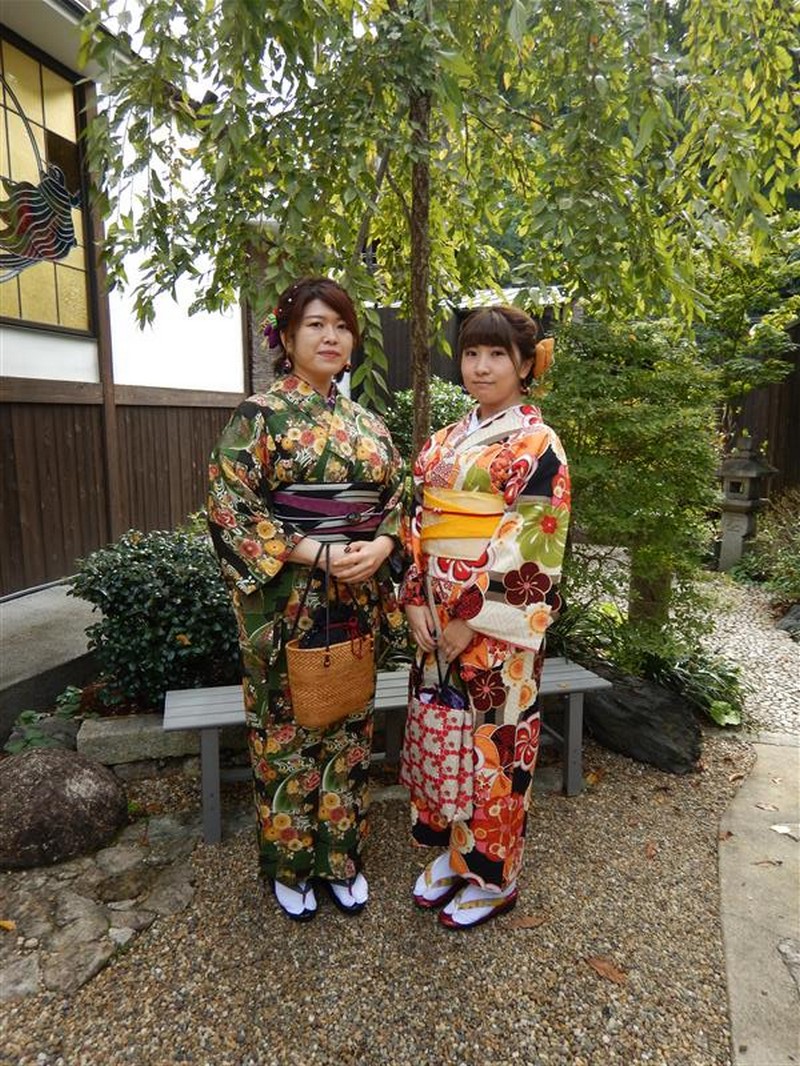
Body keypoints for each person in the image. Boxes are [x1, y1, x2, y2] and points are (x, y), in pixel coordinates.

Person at [207, 276, 404, 922]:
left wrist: (383, 543)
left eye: (342, 327)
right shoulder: (259, 416)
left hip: (355, 593)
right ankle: (291, 864)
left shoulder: (368, 423)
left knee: (349, 724)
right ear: (287, 339)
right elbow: (229, 506)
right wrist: (313, 551)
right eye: (316, 325)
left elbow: (400, 497)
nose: (331, 337)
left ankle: (342, 859)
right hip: (285, 598)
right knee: (284, 730)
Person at [400, 305, 570, 930]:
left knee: (493, 746)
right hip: (434, 620)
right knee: (442, 732)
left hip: (495, 629)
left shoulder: (537, 445)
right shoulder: (442, 442)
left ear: (526, 365)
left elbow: (532, 542)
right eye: (472, 353)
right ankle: (454, 852)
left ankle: (495, 876)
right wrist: (414, 600)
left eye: (498, 354)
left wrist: (470, 619)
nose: (481, 366)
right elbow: (416, 522)